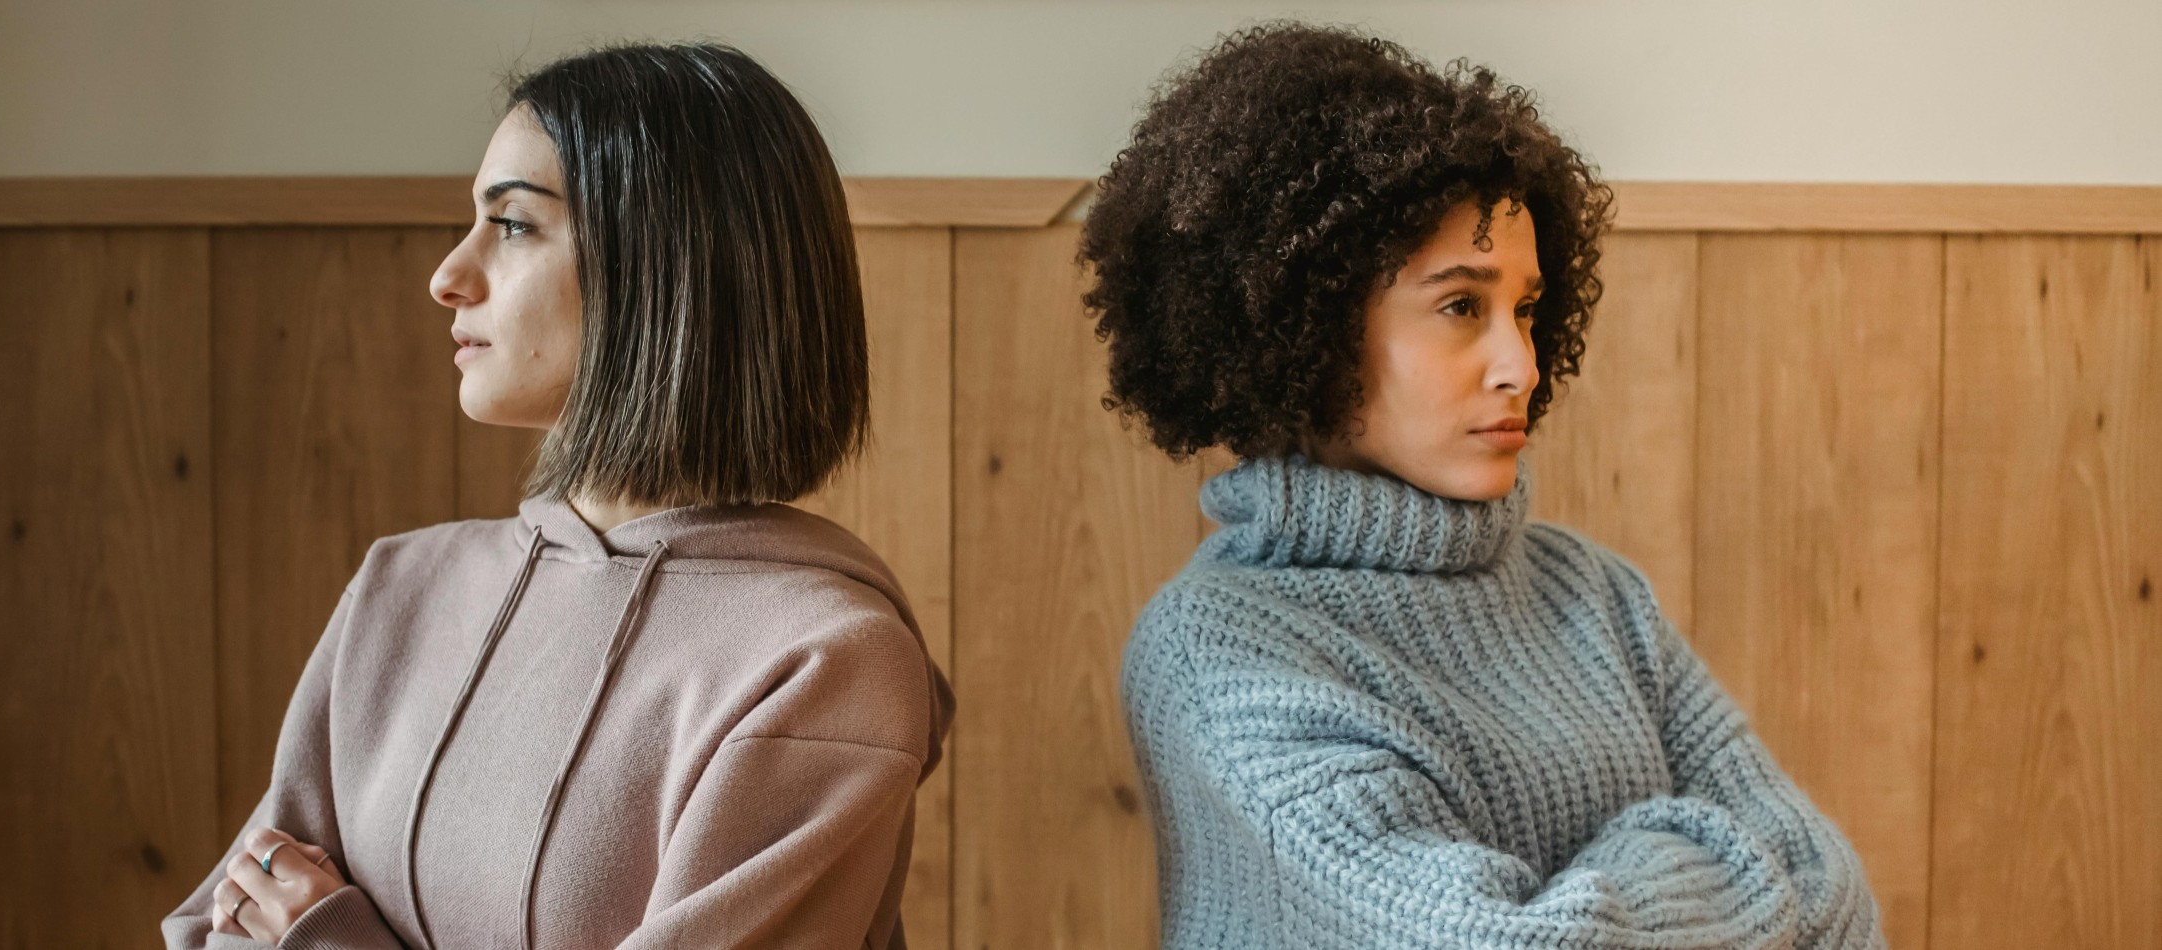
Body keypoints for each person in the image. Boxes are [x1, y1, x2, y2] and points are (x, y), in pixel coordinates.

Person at [1083, 24, 1882, 949]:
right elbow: (1503, 943)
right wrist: (1699, 848)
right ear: (1304, 324)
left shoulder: (1594, 593)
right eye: (1461, 306)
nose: (1521, 366)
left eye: (1528, 310)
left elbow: (1840, 895)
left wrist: (1592, 894)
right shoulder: (1215, 649)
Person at [162, 42, 952, 950]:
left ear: (667, 263)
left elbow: (284, 924)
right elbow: (225, 920)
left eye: (513, 224)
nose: (447, 276)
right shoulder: (403, 587)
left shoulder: (825, 661)